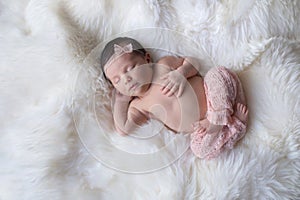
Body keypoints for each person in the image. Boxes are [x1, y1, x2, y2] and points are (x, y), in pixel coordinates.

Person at [100, 37, 248, 159]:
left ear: (147, 59)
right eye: (117, 80)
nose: (126, 79)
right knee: (199, 150)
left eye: (130, 69)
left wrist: (182, 73)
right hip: (202, 127)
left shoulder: (163, 65)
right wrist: (120, 101)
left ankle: (219, 117)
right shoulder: (138, 105)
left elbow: (194, 63)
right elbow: (123, 129)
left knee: (217, 74)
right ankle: (234, 126)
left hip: (213, 95)